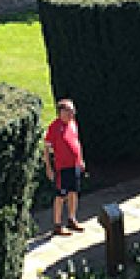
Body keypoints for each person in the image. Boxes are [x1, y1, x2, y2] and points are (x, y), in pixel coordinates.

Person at [43, 99, 86, 237]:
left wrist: (81, 160)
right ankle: (57, 225)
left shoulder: (73, 124)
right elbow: (47, 148)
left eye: (73, 111)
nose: (72, 113)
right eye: (69, 110)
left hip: (75, 166)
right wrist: (48, 168)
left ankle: (71, 219)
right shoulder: (54, 127)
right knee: (61, 195)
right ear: (60, 112)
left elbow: (77, 143)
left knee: (74, 192)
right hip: (62, 168)